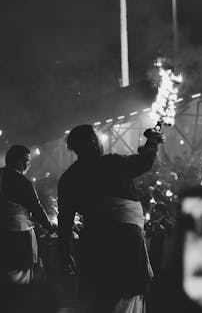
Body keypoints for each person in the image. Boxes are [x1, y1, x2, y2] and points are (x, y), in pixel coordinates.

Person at [57, 124, 165, 313]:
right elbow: (143, 162)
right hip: (125, 239)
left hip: (94, 241)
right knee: (127, 294)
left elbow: (65, 220)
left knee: (101, 298)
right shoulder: (111, 163)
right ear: (92, 141)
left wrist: (64, 253)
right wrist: (153, 141)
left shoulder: (68, 178)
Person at [0, 145, 56, 284]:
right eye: (27, 160)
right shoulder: (23, 181)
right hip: (18, 234)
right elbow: (36, 206)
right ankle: (16, 301)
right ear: (17, 161)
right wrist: (49, 226)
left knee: (0, 269)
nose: (29, 164)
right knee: (19, 270)